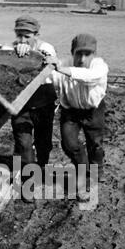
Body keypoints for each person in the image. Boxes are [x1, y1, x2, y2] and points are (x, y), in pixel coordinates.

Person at [0, 16, 57, 202]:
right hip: (21, 104)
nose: (22, 41)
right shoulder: (13, 48)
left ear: (36, 34)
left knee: (43, 144)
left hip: (43, 103)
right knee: (24, 145)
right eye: (19, 36)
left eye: (27, 36)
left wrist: (31, 52)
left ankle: (41, 170)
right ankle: (28, 185)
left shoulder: (45, 47)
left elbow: (47, 58)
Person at [45, 33, 108, 200]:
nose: (82, 58)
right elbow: (48, 78)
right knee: (69, 144)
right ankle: (85, 176)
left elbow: (89, 79)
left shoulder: (99, 65)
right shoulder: (63, 63)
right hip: (70, 111)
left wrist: (61, 69)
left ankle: (97, 169)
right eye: (78, 53)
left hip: (93, 111)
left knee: (95, 145)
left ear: (94, 54)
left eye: (87, 54)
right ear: (72, 52)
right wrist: (46, 64)